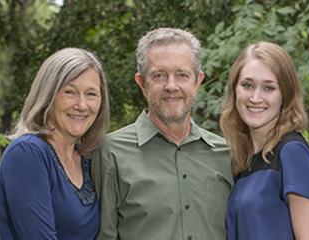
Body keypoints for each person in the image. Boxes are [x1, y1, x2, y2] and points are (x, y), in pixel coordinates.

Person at [92, 27, 234, 240]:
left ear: (197, 81)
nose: (171, 86)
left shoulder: (227, 154)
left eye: (182, 75)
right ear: (142, 84)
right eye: (159, 75)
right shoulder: (110, 153)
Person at [0, 47, 110, 239]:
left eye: (91, 94)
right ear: (48, 95)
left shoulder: (89, 158)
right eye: (70, 92)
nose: (82, 105)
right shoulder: (27, 153)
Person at [220, 41, 309, 240]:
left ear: (285, 95)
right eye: (247, 85)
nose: (255, 98)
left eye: (269, 88)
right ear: (235, 90)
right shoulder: (243, 161)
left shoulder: (292, 152)